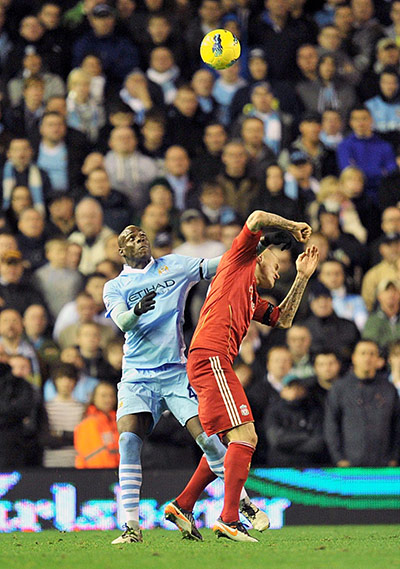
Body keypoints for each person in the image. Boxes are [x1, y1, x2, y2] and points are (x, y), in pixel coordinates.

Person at [103, 224, 269, 544]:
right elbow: (123, 322)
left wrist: (256, 246)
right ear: (121, 251)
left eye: (143, 235)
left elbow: (220, 264)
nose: (141, 239)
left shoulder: (175, 265)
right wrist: (137, 311)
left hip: (176, 372)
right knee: (128, 443)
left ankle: (242, 506)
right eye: (132, 238)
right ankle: (131, 527)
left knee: (209, 439)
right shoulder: (115, 286)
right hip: (137, 375)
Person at [166, 210, 318, 543]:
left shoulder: (250, 296)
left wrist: (303, 277)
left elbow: (282, 320)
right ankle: (229, 519)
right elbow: (257, 217)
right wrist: (293, 227)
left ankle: (183, 504)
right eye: (278, 265)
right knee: (246, 437)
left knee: (226, 444)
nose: (280, 272)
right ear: (260, 258)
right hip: (211, 357)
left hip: (212, 361)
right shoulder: (238, 261)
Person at [324, 340, 400, 467]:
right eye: (363, 353)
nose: (367, 358)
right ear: (354, 358)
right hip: (349, 465)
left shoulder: (389, 389)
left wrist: (394, 457)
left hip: (383, 466)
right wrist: (339, 458)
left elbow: (397, 425)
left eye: (372, 354)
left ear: (378, 359)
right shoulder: (339, 388)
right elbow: (331, 425)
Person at [74, 381, 119, 468]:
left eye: (111, 396)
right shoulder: (89, 423)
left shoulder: (116, 421)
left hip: (116, 474)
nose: (108, 400)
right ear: (94, 398)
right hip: (98, 475)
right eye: (103, 396)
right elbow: (95, 457)